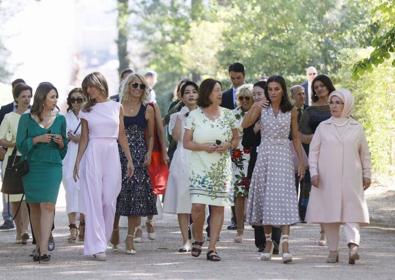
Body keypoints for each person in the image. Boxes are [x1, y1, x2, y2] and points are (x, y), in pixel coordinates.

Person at [73, 72, 134, 261]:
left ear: (100, 84)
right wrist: (77, 162)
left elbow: (122, 135)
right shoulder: (86, 110)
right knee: (93, 202)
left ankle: (103, 240)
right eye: (86, 88)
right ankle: (97, 245)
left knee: (109, 200)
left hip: (112, 153)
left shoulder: (117, 106)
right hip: (92, 153)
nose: (89, 91)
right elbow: (83, 138)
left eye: (91, 86)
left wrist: (130, 159)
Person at [244, 75, 305, 264]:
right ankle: (269, 243)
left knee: (284, 198)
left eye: (276, 89)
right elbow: (245, 124)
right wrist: (255, 106)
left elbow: (295, 137)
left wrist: (301, 161)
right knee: (265, 199)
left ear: (283, 90)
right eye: (270, 89)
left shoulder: (292, 110)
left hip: (283, 156)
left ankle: (285, 245)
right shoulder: (262, 108)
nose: (272, 92)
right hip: (265, 155)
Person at [307, 89, 371, 265]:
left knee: (352, 212)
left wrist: (367, 174)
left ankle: (353, 246)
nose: (334, 106)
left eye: (338, 102)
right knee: (330, 214)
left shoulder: (357, 128)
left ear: (347, 104)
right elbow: (313, 152)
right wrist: (314, 173)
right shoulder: (323, 127)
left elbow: (365, 154)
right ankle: (333, 251)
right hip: (327, 179)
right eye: (331, 102)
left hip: (352, 178)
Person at [184, 78, 239, 261]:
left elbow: (236, 138)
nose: (220, 93)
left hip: (220, 168)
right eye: (216, 90)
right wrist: (203, 147)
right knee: (198, 207)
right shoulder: (194, 116)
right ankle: (198, 237)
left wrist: (228, 145)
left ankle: (212, 247)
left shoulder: (229, 115)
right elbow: (186, 142)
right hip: (199, 167)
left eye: (220, 90)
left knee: (217, 207)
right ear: (207, 93)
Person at [16, 82, 68, 263]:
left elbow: (63, 150)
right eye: (52, 96)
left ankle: (44, 249)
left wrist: (61, 143)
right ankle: (38, 246)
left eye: (56, 97)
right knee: (35, 207)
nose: (55, 100)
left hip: (52, 166)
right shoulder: (25, 119)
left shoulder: (60, 119)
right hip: (32, 167)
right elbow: (21, 145)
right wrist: (37, 139)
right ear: (42, 98)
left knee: (48, 205)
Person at [110, 73, 157, 255]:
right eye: (134, 85)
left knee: (136, 196)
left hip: (139, 155)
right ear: (127, 86)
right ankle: (113, 228)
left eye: (141, 86)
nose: (138, 89)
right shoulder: (117, 106)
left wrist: (148, 153)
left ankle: (130, 236)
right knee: (116, 193)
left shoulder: (148, 109)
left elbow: (151, 135)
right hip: (117, 153)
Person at [299, 74, 336, 245]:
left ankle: (333, 228)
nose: (319, 89)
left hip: (337, 154)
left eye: (322, 85)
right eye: (316, 87)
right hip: (318, 156)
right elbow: (300, 136)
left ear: (328, 86)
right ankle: (323, 231)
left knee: (335, 192)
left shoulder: (338, 106)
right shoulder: (310, 111)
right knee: (321, 193)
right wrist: (320, 136)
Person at [246, 80, 281, 254]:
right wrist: (255, 129)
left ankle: (276, 240)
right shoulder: (253, 112)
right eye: (255, 94)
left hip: (276, 160)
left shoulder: (279, 110)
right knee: (259, 199)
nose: (258, 97)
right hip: (257, 160)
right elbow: (245, 139)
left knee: (275, 199)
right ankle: (261, 241)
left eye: (261, 93)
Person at [163, 81, 199, 252]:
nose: (191, 95)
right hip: (181, 158)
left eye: (194, 92)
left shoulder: (204, 115)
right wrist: (182, 116)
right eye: (187, 93)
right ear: (181, 97)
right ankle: (186, 240)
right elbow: (176, 136)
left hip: (200, 159)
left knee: (199, 201)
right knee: (182, 201)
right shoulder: (176, 116)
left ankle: (198, 234)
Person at [0, 83, 32, 244]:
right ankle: (19, 231)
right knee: (14, 197)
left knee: (27, 197)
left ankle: (25, 230)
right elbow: (1, 138)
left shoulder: (34, 116)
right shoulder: (9, 117)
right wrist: (16, 143)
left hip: (29, 159)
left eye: (28, 96)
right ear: (16, 98)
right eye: (23, 96)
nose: (26, 99)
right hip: (12, 160)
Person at [220, 62, 246, 231]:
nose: (236, 81)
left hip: (249, 143)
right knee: (234, 182)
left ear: (244, 75)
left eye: (238, 78)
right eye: (232, 78)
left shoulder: (252, 93)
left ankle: (247, 216)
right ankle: (235, 218)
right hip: (231, 143)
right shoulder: (225, 95)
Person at [230, 84, 254, 243]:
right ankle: (240, 229)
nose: (244, 101)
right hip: (238, 158)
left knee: (256, 194)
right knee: (239, 195)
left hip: (255, 156)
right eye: (241, 98)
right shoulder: (232, 115)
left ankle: (260, 230)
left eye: (248, 98)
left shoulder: (259, 113)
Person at [62, 88, 85, 242]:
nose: (76, 102)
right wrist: (77, 137)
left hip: (85, 158)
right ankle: (72, 228)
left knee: (85, 192)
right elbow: (66, 136)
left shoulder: (90, 116)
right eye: (73, 99)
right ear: (70, 102)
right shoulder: (64, 118)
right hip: (69, 160)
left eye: (80, 99)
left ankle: (83, 227)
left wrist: (79, 137)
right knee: (70, 192)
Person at [290, 85, 309, 221]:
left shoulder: (309, 111)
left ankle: (304, 213)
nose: (302, 96)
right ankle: (293, 213)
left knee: (306, 184)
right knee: (293, 183)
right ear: (292, 97)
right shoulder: (288, 112)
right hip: (292, 151)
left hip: (308, 151)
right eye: (298, 94)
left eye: (303, 94)